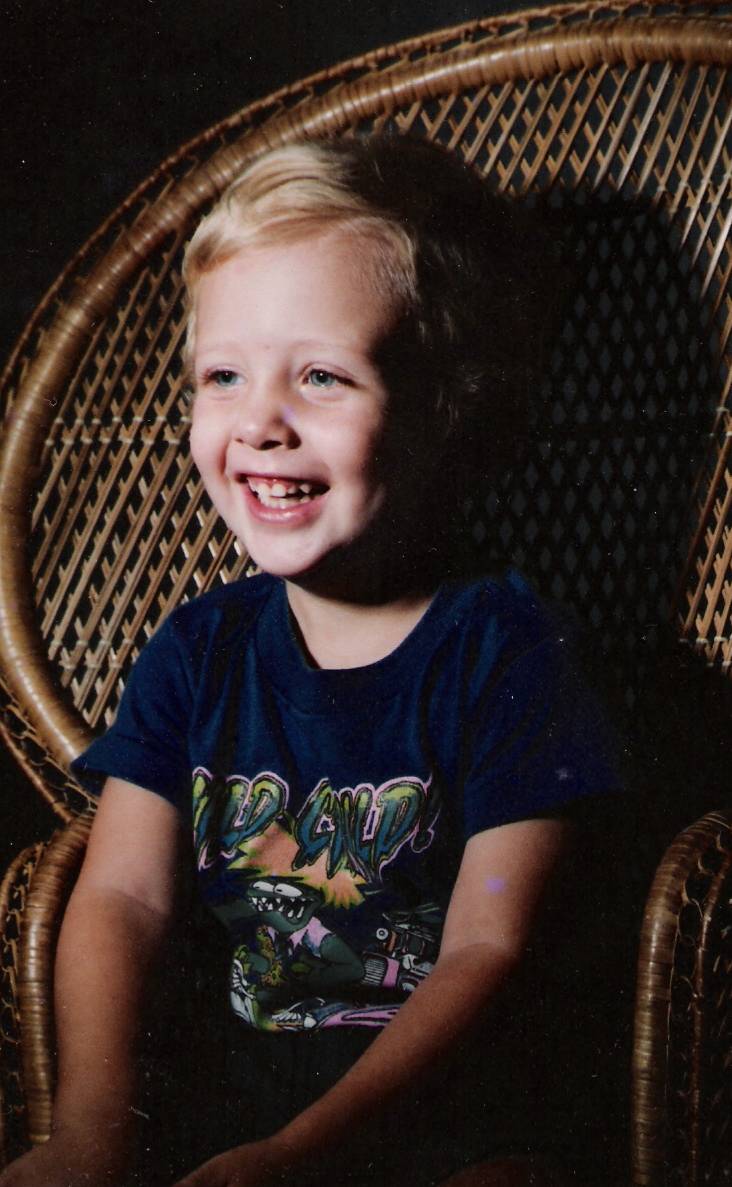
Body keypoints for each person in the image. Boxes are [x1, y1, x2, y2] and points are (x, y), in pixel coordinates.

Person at [0, 137, 619, 1187]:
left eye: (323, 376)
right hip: (219, 1113)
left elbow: (487, 948)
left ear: (445, 408)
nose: (260, 424)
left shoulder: (509, 652)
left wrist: (305, 1155)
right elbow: (124, 901)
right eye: (223, 375)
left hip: (437, 1120)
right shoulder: (199, 651)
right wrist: (93, 1127)